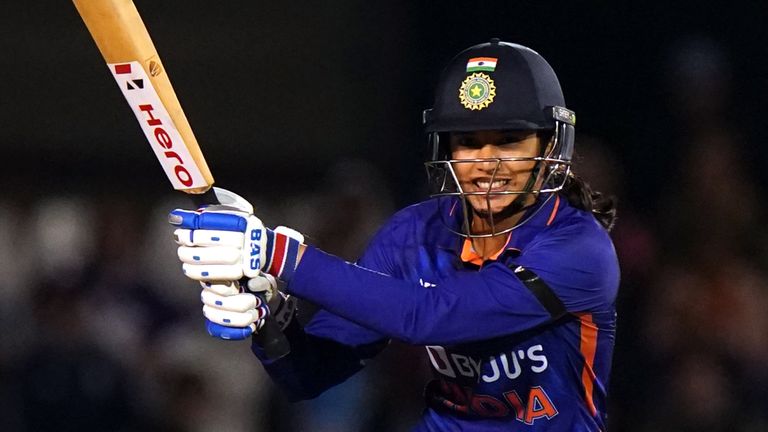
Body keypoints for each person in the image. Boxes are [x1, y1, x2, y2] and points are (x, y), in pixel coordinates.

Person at [169, 39, 619, 431]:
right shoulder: (412, 233)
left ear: (549, 147)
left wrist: (272, 251)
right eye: (467, 141)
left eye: (508, 141)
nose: (486, 163)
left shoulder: (580, 249)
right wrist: (270, 317)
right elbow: (309, 377)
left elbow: (430, 316)